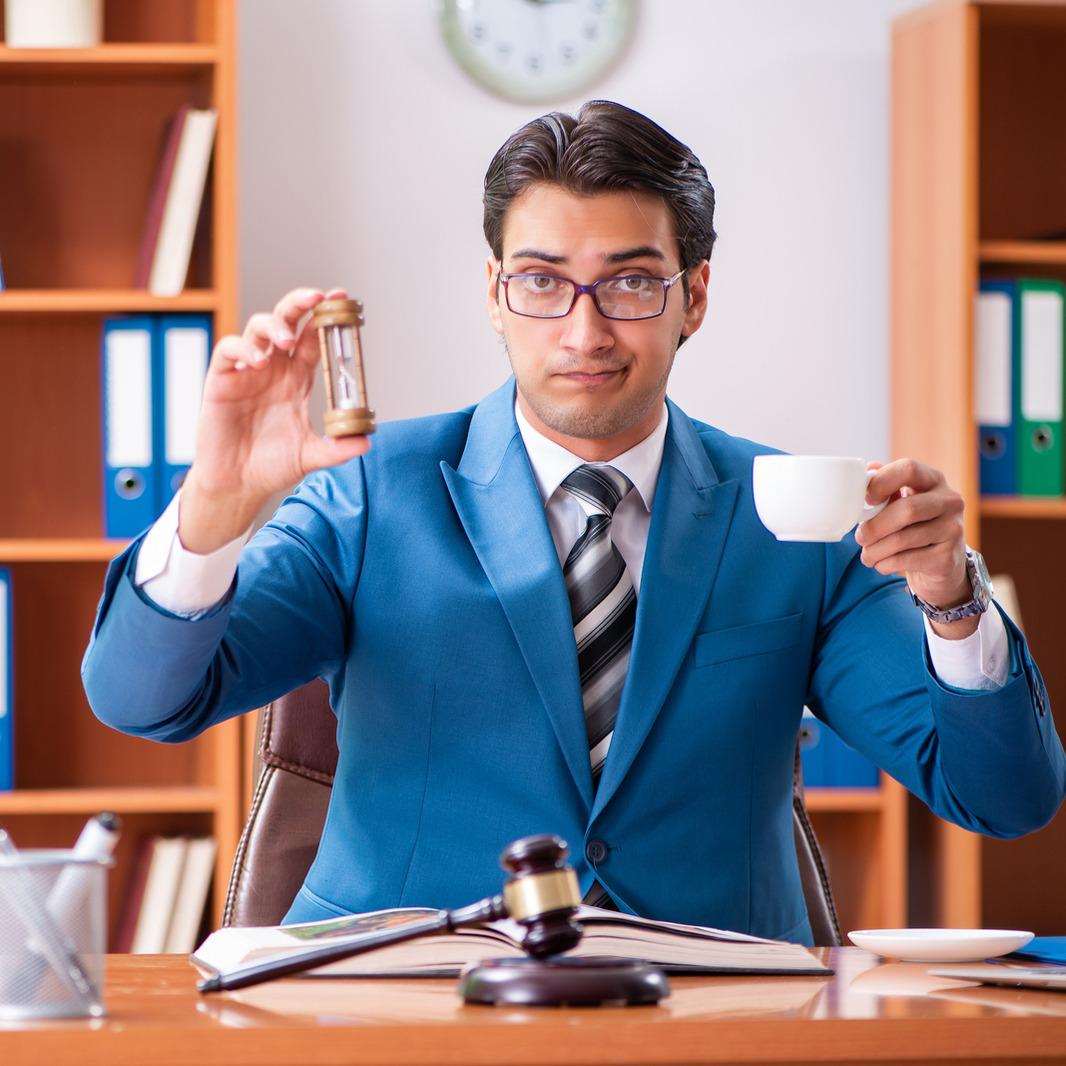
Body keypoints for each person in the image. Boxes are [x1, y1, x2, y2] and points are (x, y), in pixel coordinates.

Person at [83, 101, 1064, 945]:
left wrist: (951, 601)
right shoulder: (371, 490)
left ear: (695, 297)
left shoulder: (794, 512)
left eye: (632, 282)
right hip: (401, 1005)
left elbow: (1002, 797)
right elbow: (144, 700)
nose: (583, 331)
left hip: (713, 1011)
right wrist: (214, 502)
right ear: (495, 296)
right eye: (542, 282)